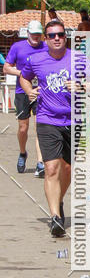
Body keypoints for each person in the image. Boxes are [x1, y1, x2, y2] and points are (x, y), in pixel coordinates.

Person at [19, 19, 90, 238]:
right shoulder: (36, 60)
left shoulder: (78, 59)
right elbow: (24, 78)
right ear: (46, 38)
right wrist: (29, 91)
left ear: (66, 37)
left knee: (66, 170)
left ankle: (59, 199)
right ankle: (55, 216)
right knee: (52, 168)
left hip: (74, 121)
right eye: (52, 35)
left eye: (60, 35)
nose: (56, 38)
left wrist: (82, 85)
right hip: (47, 119)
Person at [3, 20, 47, 176]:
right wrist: (22, 73)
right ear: (27, 33)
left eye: (38, 34)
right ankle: (22, 153)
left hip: (41, 92)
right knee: (23, 127)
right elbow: (6, 67)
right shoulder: (17, 47)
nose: (36, 37)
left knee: (40, 127)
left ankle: (40, 163)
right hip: (22, 92)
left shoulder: (46, 47)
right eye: (33, 34)